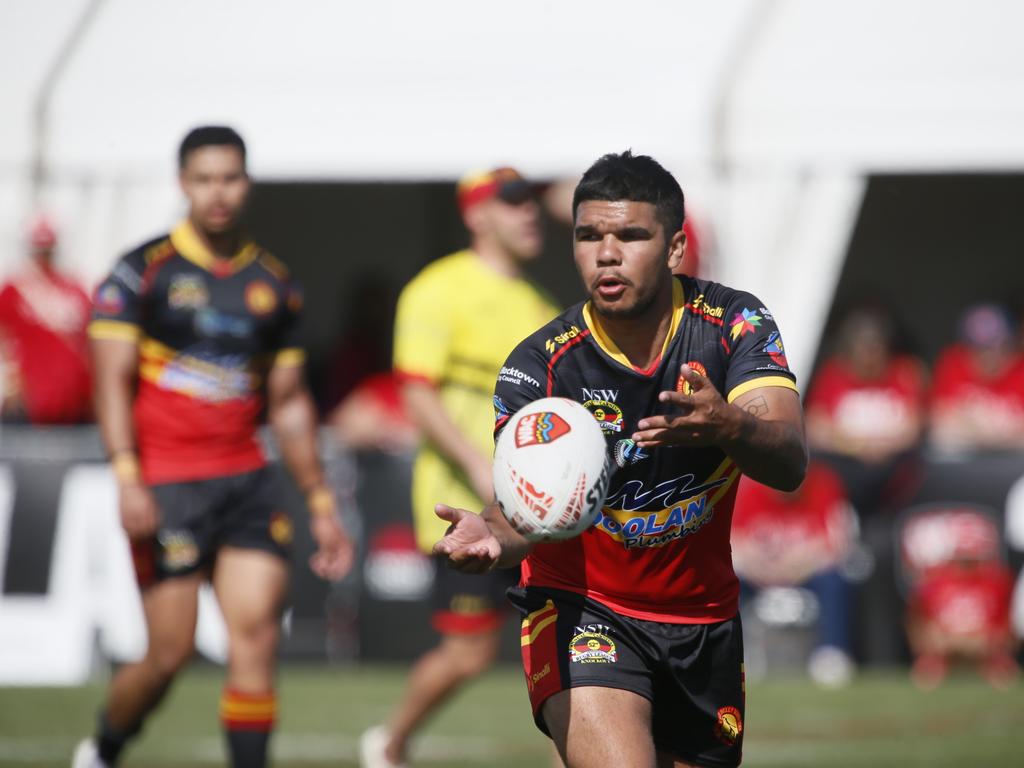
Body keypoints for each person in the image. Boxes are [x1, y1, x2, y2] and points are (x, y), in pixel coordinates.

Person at [434, 151, 807, 768]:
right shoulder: (540, 365)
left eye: (631, 235)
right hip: (584, 609)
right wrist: (494, 533)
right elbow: (524, 511)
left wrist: (729, 424)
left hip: (703, 620)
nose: (606, 252)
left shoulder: (734, 324)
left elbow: (788, 459)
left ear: (675, 248)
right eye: (589, 236)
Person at [73, 126, 354, 768]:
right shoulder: (140, 272)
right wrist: (127, 477)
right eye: (204, 179)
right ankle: (106, 747)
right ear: (183, 184)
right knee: (167, 656)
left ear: (246, 183)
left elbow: (287, 404)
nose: (218, 192)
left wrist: (318, 500)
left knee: (253, 639)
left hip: (248, 482)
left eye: (229, 177)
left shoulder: (274, 284)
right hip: (167, 484)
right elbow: (109, 386)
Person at [359, 167, 558, 768]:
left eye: (531, 203)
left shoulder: (542, 306)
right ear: (475, 215)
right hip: (464, 508)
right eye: (512, 203)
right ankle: (389, 743)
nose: (528, 214)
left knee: (574, 654)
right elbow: (416, 393)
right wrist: (476, 463)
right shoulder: (437, 289)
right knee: (468, 654)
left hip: (539, 513)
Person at [732, 463, 858, 687]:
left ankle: (831, 652)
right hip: (759, 574)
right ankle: (736, 653)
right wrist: (761, 568)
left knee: (833, 580)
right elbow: (735, 541)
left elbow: (835, 543)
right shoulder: (748, 489)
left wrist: (795, 567)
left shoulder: (823, 485)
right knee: (729, 582)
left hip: (807, 573)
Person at [0, 215, 92, 423]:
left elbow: (88, 340)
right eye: (39, 249)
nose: (44, 255)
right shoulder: (14, 289)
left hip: (73, 400)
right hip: (29, 401)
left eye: (47, 249)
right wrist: (11, 383)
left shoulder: (74, 288)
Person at [929, 303, 1024, 452]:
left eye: (995, 346)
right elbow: (940, 431)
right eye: (979, 348)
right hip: (964, 465)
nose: (987, 355)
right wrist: (1003, 434)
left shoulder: (1020, 368)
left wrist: (972, 430)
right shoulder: (953, 361)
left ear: (1010, 344)